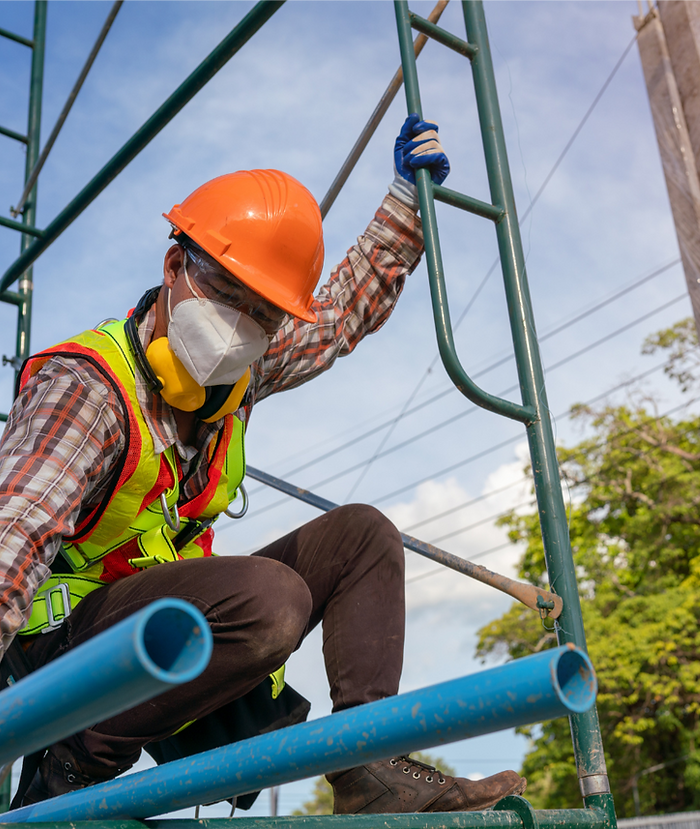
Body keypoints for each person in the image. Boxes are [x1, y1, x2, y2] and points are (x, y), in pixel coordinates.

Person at [0, 114, 526, 814]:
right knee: (271, 598)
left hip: (169, 640)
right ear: (173, 267)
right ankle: (72, 763)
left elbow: (337, 315)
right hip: (65, 660)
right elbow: (14, 539)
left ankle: (369, 767)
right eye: (223, 292)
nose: (235, 327)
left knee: (362, 536)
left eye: (261, 314)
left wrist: (405, 203)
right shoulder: (90, 388)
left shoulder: (240, 370)